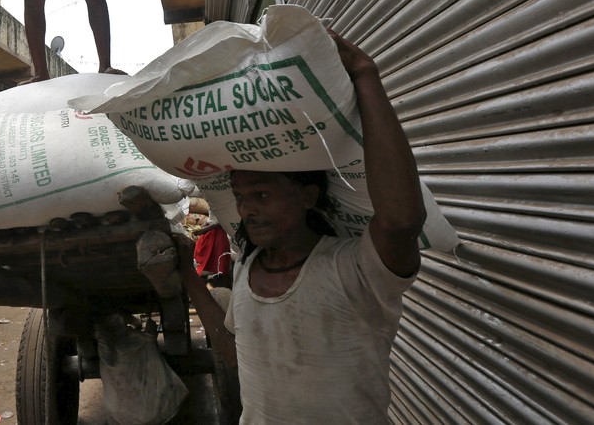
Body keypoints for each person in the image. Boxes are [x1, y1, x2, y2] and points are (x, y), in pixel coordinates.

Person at [175, 31, 427, 423]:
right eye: (241, 197)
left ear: (308, 196)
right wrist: (190, 280)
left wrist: (365, 76)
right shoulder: (246, 268)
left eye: (261, 195)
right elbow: (238, 353)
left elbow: (400, 220)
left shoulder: (354, 268)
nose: (247, 210)